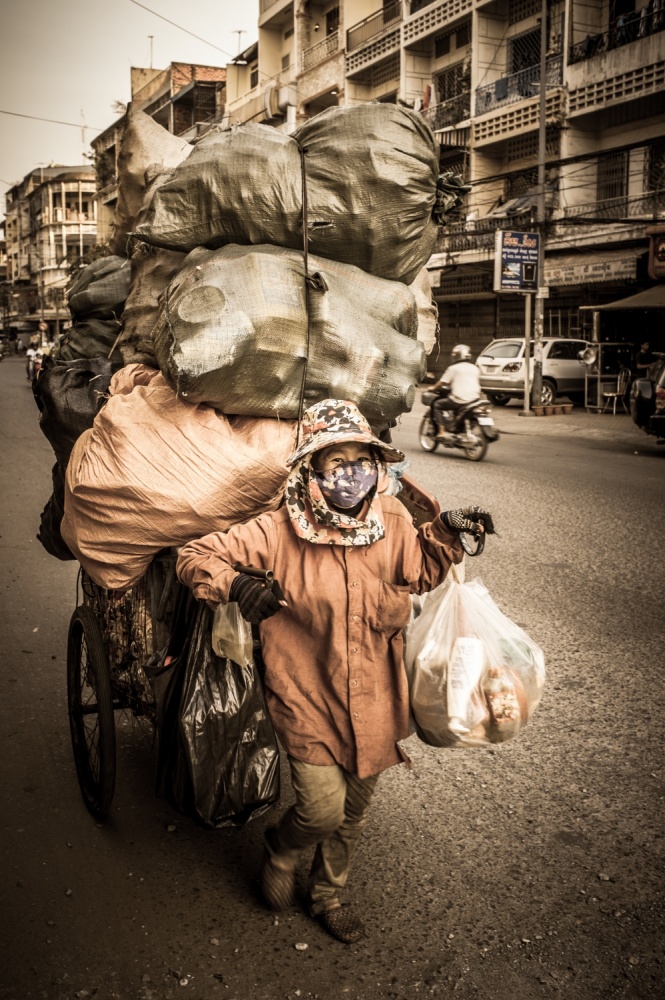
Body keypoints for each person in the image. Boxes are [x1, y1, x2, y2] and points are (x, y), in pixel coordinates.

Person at [176, 399, 495, 944]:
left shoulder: (391, 519)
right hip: (307, 694)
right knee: (321, 810)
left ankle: (327, 896)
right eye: (336, 461)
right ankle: (281, 850)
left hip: (376, 697)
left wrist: (445, 531)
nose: (353, 473)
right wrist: (238, 585)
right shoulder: (277, 531)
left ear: (378, 465)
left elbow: (418, 572)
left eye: (362, 459)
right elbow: (194, 554)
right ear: (311, 470)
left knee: (354, 812)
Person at [431, 343, 482, 431]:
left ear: (455, 356)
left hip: (460, 400)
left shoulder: (453, 368)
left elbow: (441, 383)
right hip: (475, 399)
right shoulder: (475, 368)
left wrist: (432, 388)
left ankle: (441, 432)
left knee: (437, 405)